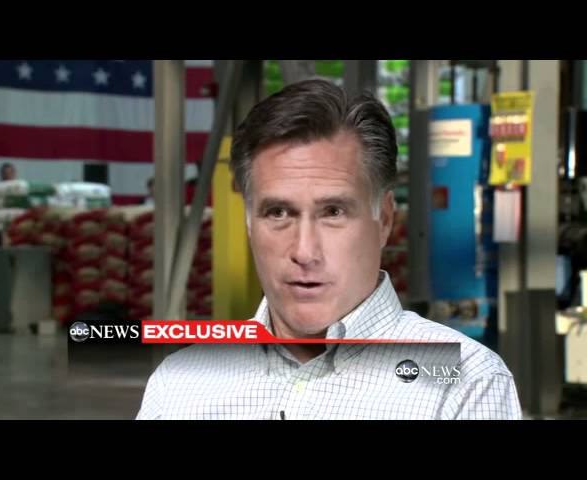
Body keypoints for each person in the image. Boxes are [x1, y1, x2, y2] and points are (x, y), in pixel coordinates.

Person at [137, 79, 521, 420]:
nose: (305, 251)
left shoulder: (466, 383)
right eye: (278, 212)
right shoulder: (179, 386)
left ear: (384, 220)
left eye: (333, 212)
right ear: (250, 224)